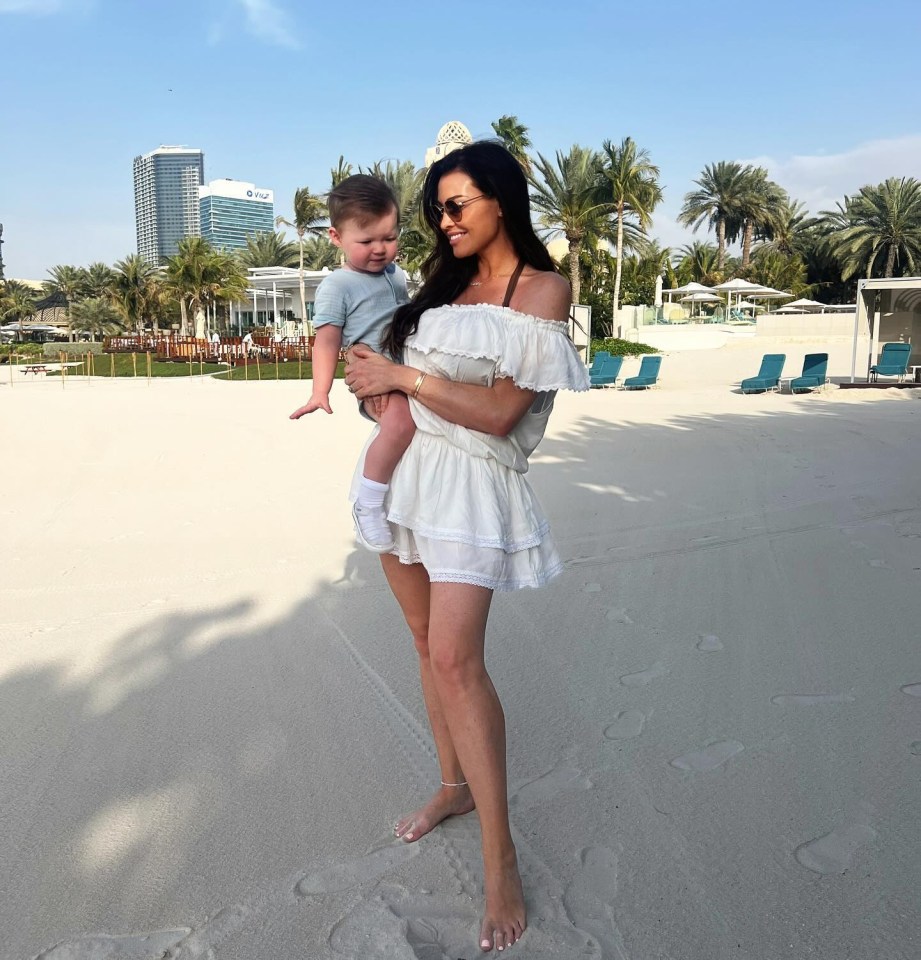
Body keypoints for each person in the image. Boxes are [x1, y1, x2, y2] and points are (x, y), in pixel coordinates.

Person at [344, 142, 589, 953]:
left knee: (456, 660)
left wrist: (402, 379)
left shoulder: (541, 290)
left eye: (457, 206)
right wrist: (368, 382)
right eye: (436, 210)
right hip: (408, 475)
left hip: (472, 490)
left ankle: (500, 859)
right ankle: (452, 787)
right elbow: (392, 377)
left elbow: (498, 414)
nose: (443, 222)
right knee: (422, 644)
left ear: (501, 200)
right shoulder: (436, 289)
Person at [290, 175, 415, 552]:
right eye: (366, 241)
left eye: (389, 238)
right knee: (400, 423)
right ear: (336, 237)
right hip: (376, 380)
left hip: (402, 370)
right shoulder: (337, 286)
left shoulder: (397, 275)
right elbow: (326, 339)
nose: (380, 249)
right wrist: (319, 390)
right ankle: (369, 502)